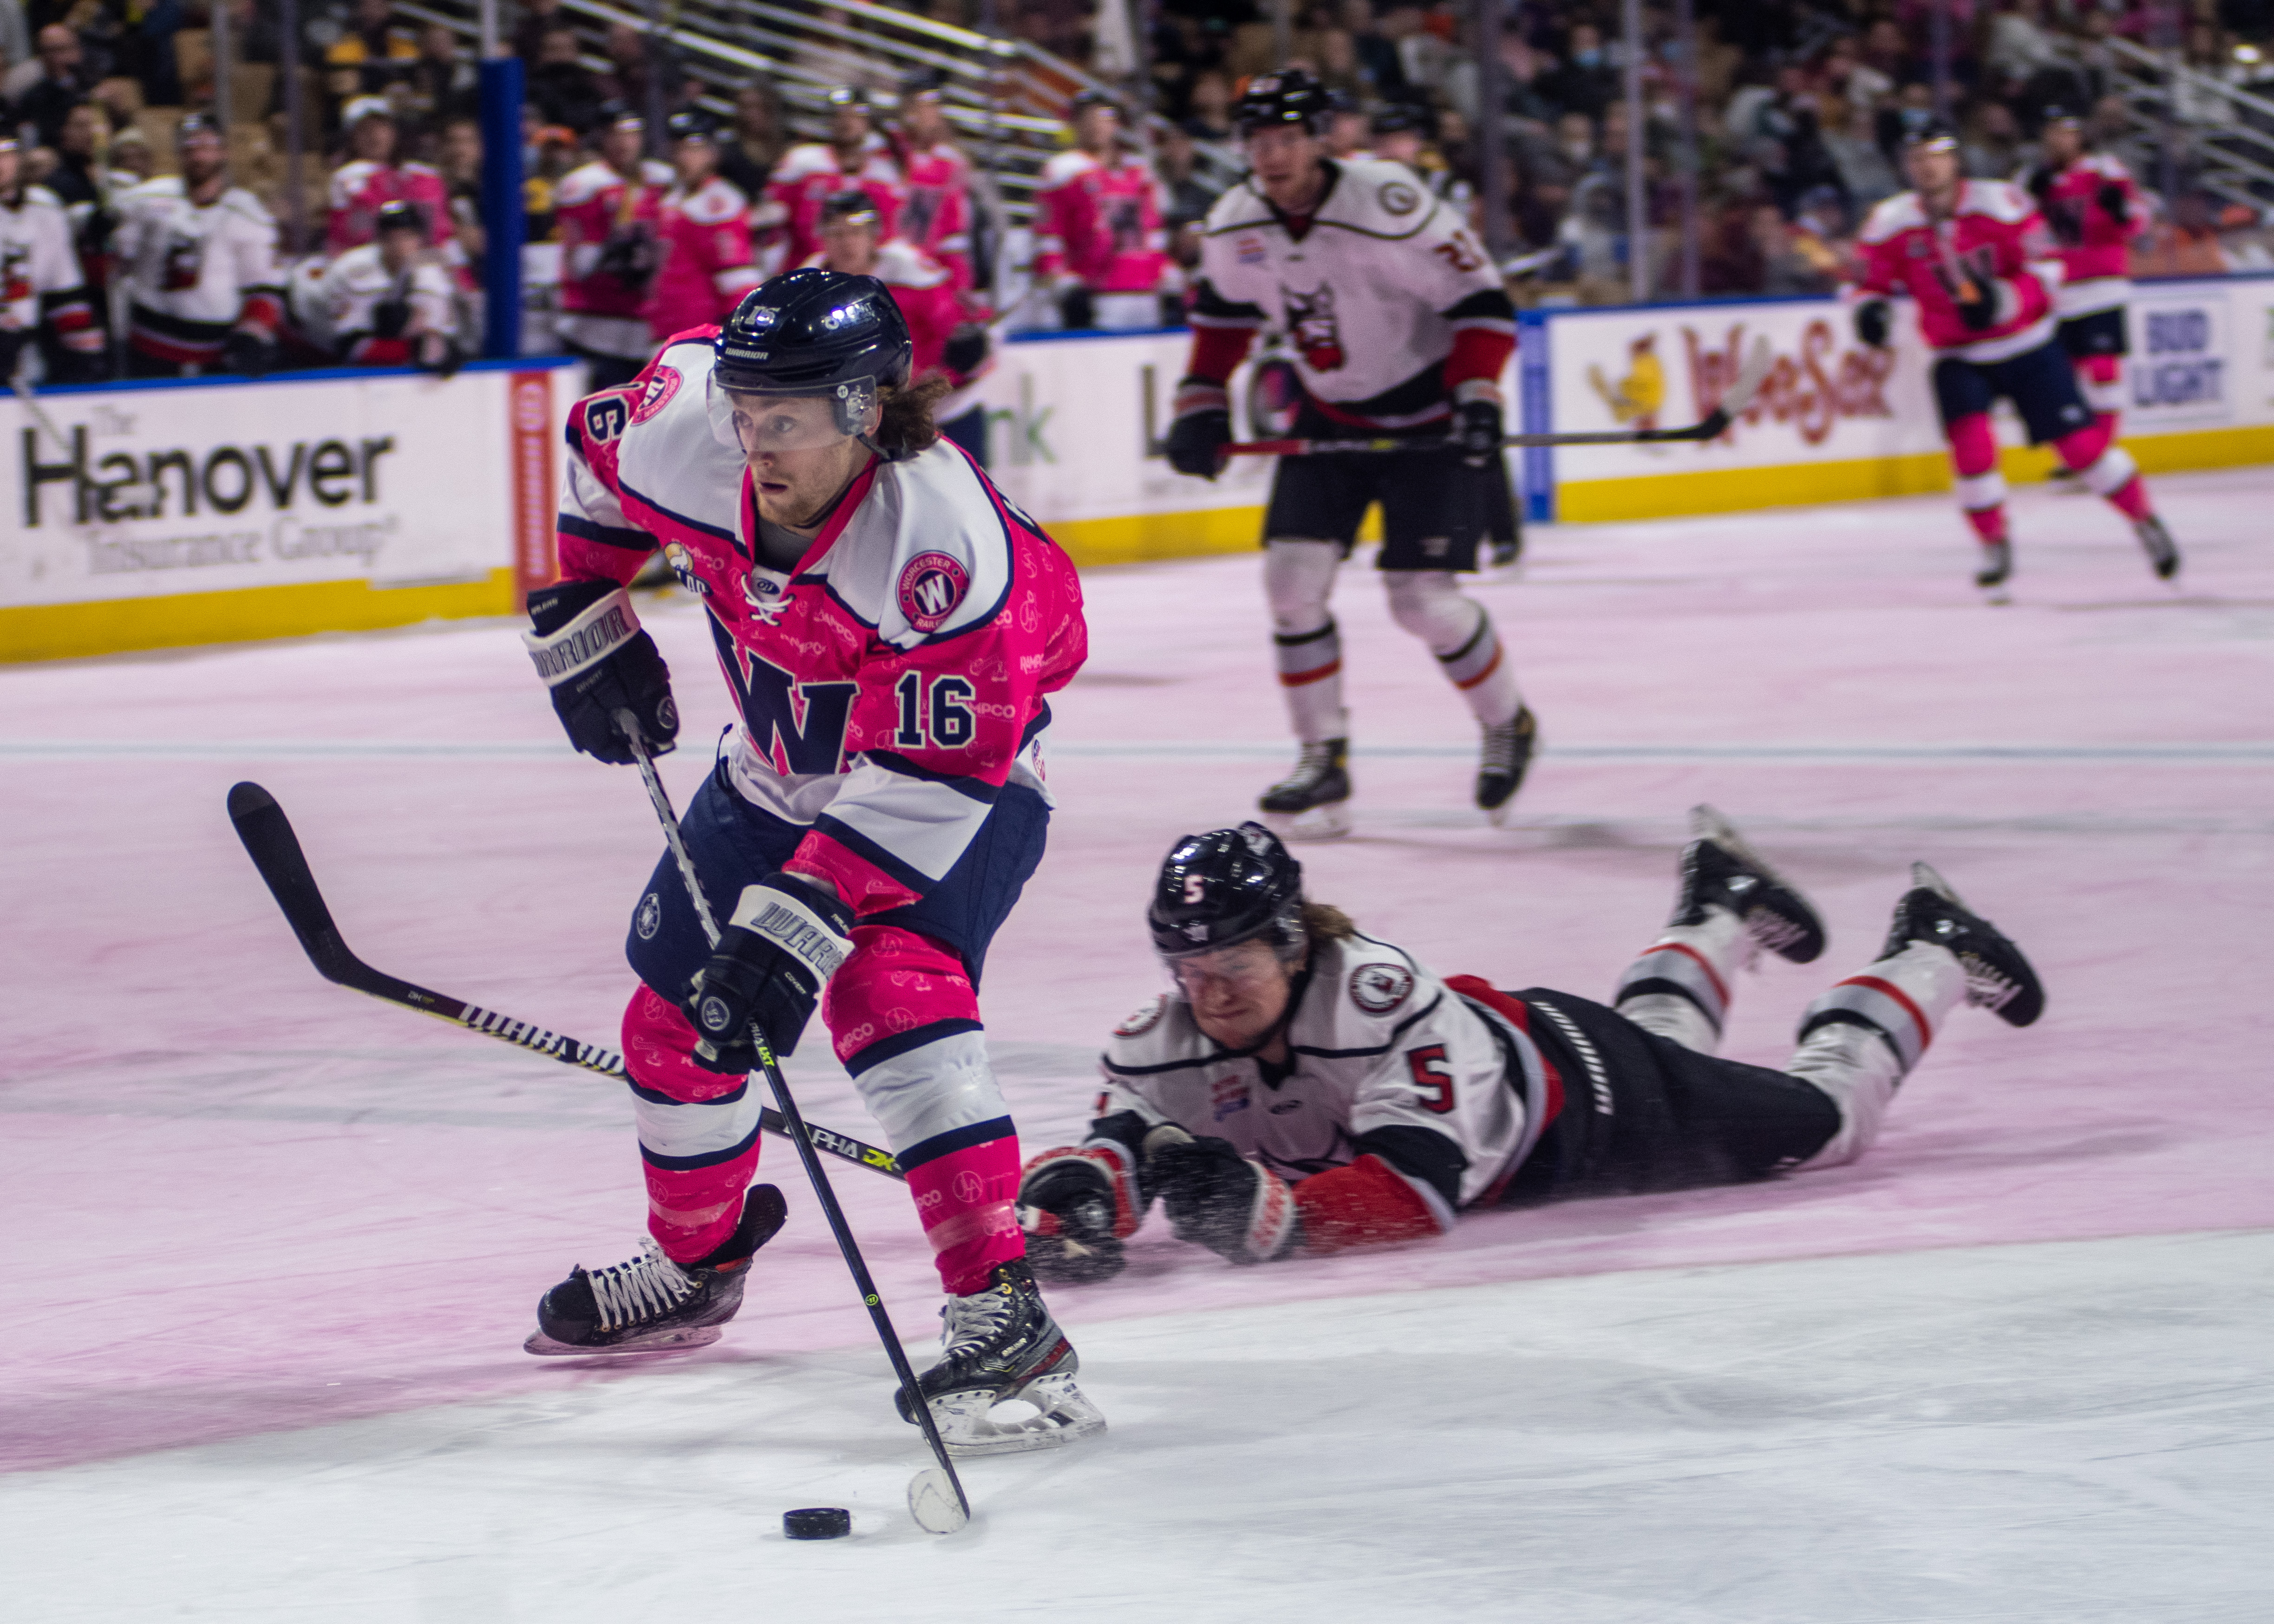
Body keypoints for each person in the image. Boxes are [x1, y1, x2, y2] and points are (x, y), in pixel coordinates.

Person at [516, 268, 1102, 1456]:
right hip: (774, 767)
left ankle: (1005, 1316)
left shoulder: (948, 552)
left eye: (783, 419)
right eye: (745, 411)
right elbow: (594, 456)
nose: (753, 441)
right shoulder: (689, 422)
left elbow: (938, 775)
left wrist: (798, 924)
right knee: (674, 1020)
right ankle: (696, 1263)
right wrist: (586, 610)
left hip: (957, 787)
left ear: (869, 407)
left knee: (889, 998)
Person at [1015, 810, 2043, 1278]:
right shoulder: (1169, 1034)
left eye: (1232, 968)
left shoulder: (1377, 1000)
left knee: (1828, 1119)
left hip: (1598, 1111)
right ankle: (1722, 905)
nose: (1209, 995)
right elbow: (1126, 1132)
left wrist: (1268, 1213)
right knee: (1664, 1035)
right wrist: (1084, 1195)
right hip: (1537, 1047)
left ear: (1292, 941)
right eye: (1188, 972)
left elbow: (1419, 1194)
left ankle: (1932, 952)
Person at [1163, 69, 1530, 841]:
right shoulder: (1235, 223)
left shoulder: (1386, 200)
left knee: (1419, 600)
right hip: (1329, 417)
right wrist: (1199, 400)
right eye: (1258, 141)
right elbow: (1223, 321)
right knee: (1290, 584)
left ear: (1320, 138)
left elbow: (1483, 305)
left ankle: (1506, 722)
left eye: (1287, 139)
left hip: (1424, 421)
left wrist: (1474, 396)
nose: (1272, 155)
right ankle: (1321, 753)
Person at [1848, 119, 2178, 594]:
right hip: (1958, 355)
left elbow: (2046, 266)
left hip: (2028, 346)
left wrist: (2005, 299)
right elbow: (1867, 280)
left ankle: (2146, 521)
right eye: (1917, 157)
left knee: (2082, 449)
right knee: (1972, 452)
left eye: (1936, 155)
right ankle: (1994, 544)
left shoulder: (2000, 203)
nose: (1927, 166)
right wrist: (1868, 311)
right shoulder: (1891, 221)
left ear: (1955, 158)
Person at [807, 189, 992, 464]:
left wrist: (954, 366)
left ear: (875, 235)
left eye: (855, 231)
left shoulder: (912, 276)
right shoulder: (809, 287)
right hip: (867, 422)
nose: (845, 242)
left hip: (942, 415)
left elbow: (963, 338)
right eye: (835, 233)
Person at [111, 115, 283, 377]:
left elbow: (264, 288)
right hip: (150, 351)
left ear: (224, 152)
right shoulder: (145, 201)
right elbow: (117, 264)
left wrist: (253, 333)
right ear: (180, 153)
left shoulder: (247, 212)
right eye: (190, 146)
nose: (198, 155)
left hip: (215, 355)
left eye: (207, 146)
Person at [2024, 108, 2146, 451]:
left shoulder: (2105, 171)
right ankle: (2079, 448)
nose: (2059, 140)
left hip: (2103, 286)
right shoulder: (2033, 179)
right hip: (2059, 291)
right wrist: (2032, 202)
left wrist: (2120, 209)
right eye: (2052, 132)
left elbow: (2138, 221)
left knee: (2103, 368)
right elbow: (2021, 234)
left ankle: (2104, 448)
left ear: (2079, 135)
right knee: (2065, 374)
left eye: (2066, 131)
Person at [1031, 90, 1175, 330]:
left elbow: (1154, 231)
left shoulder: (1140, 172)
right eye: (1087, 118)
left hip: (1146, 293)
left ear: (1116, 124)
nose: (1096, 125)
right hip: (1096, 297)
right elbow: (1048, 238)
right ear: (1074, 124)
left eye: (1103, 118)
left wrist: (1166, 275)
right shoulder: (1062, 172)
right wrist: (1064, 285)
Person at [553, 104, 668, 389]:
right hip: (595, 325)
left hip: (647, 327)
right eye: (616, 134)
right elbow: (580, 263)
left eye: (632, 134)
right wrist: (616, 255)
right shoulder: (583, 185)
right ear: (602, 138)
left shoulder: (663, 179)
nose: (625, 143)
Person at [640, 107, 758, 346]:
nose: (685, 158)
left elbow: (737, 278)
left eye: (694, 149)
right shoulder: (669, 198)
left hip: (702, 336)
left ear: (712, 153)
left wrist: (740, 337)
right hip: (665, 329)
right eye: (679, 149)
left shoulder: (721, 203)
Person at [758, 86, 902, 277]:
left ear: (869, 122)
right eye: (840, 114)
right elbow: (771, 221)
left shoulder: (885, 173)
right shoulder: (802, 161)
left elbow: (887, 235)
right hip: (803, 274)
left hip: (861, 278)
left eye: (856, 115)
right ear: (829, 120)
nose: (847, 121)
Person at [303, 198, 460, 371]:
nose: (399, 246)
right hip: (317, 347)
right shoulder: (352, 270)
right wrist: (412, 350)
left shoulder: (433, 274)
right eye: (390, 238)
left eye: (407, 236)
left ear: (420, 239)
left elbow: (444, 345)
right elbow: (350, 348)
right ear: (379, 241)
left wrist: (433, 346)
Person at [0, 134, 106, 383]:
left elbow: (64, 292)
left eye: (6, 151)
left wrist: (87, 354)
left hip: (23, 352)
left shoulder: (45, 211)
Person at [327, 96, 452, 258]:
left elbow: (439, 229)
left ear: (394, 132)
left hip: (426, 259)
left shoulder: (425, 174)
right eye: (365, 129)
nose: (375, 136)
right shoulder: (345, 178)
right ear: (352, 138)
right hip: (368, 263)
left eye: (382, 127)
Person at [890, 72, 976, 293]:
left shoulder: (951, 165)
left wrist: (959, 286)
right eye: (917, 105)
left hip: (923, 277)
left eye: (931, 106)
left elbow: (953, 233)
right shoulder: (883, 152)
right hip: (882, 268)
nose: (923, 113)